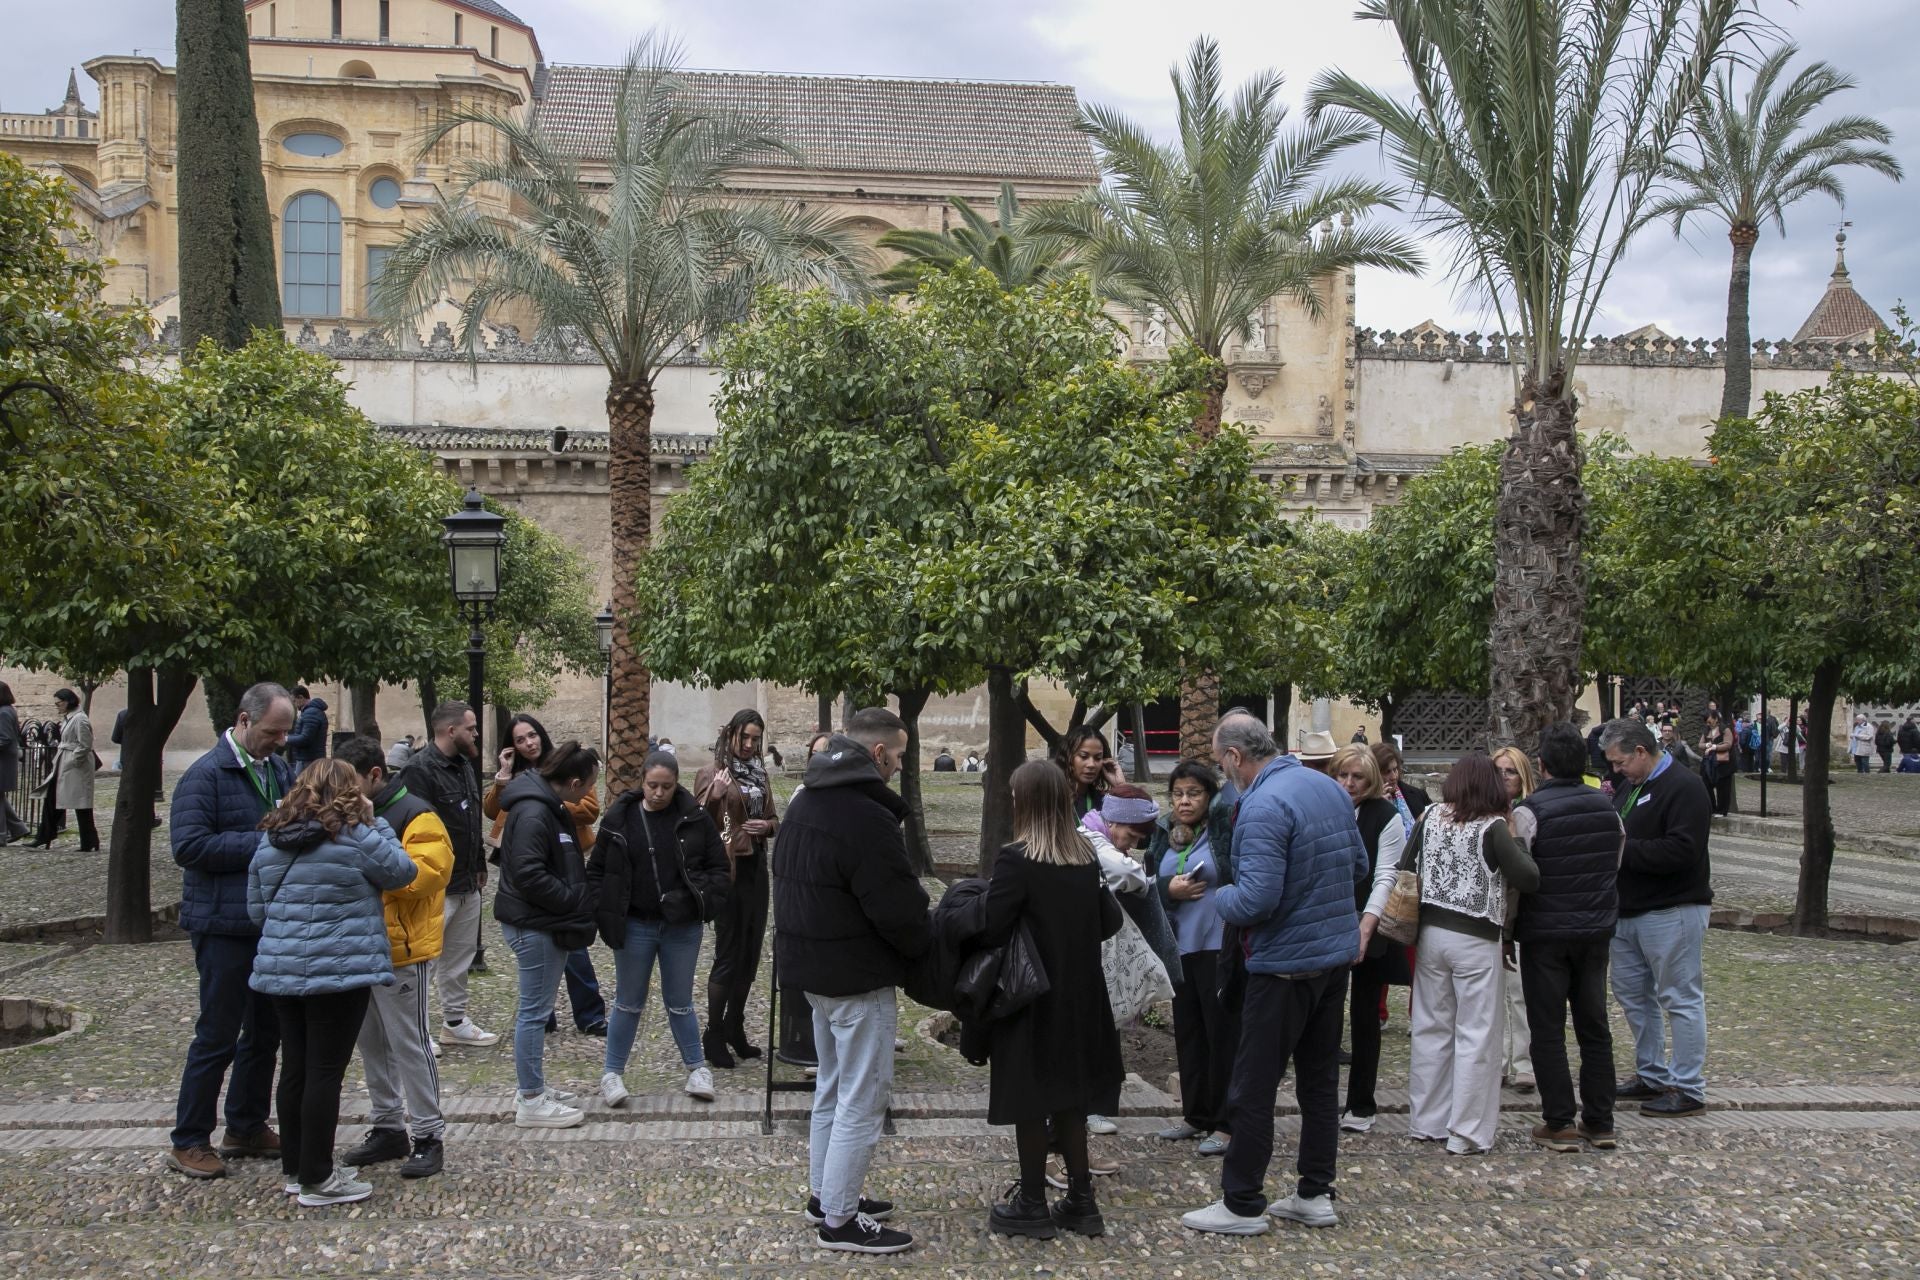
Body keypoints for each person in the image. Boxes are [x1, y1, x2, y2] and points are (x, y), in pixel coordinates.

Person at [1181, 713, 1367, 1236]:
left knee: (1253, 1087)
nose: (1224, 772)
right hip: (1332, 960)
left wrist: (1219, 897)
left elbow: (1257, 898)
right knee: (1319, 1082)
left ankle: (1241, 1203)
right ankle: (1314, 1192)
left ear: (1236, 757)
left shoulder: (1261, 804)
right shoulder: (1326, 787)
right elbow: (1357, 866)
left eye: (1221, 762)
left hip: (1283, 966)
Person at [773, 708, 930, 1254]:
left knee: (833, 1090)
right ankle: (838, 1220)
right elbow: (898, 905)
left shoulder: (806, 799)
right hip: (854, 977)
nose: (901, 765)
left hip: (812, 972)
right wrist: (924, 946)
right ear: (880, 754)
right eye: (901, 755)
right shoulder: (863, 814)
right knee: (862, 1097)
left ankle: (826, 1194)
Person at [250, 759, 417, 1206]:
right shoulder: (356, 836)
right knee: (325, 1072)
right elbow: (403, 872)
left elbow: (255, 909)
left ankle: (296, 1167)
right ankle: (319, 1179)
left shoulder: (270, 840)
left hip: (281, 970)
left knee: (297, 1068)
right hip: (340, 972)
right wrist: (375, 819)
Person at [983, 759, 1126, 1240]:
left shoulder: (1017, 859)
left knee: (1030, 1096)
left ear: (1026, 800)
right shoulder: (1085, 856)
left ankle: (1031, 1202)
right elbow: (1109, 922)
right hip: (1082, 995)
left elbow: (992, 925)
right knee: (1069, 1099)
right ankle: (1082, 1200)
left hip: (1033, 996)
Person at [165, 682, 296, 1179]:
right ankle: (189, 1138)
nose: (280, 741)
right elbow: (190, 848)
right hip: (221, 924)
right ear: (244, 721)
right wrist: (265, 840)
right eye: (272, 731)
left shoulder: (276, 768)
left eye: (285, 732)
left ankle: (245, 1124)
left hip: (265, 923)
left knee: (265, 1032)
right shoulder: (205, 776)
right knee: (217, 1035)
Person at [1404, 753, 1540, 1156]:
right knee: (1477, 1034)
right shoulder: (1493, 826)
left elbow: (1406, 864)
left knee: (1430, 1028)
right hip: (1477, 938)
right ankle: (1466, 1131)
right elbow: (1528, 878)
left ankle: (1425, 1122)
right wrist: (1515, 836)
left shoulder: (1429, 816)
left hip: (1431, 934)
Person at [333, 736, 455, 1181]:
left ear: (375, 776)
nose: (341, 794)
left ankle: (428, 1133)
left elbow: (427, 875)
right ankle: (387, 1125)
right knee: (371, 1044)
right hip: (361, 946)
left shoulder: (416, 814)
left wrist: (364, 868)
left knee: (410, 1042)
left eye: (350, 784)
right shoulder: (350, 815)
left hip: (402, 949)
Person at [591, 749, 731, 1106]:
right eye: (652, 785)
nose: (658, 793)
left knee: (680, 1001)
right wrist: (603, 909)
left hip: (681, 925)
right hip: (635, 923)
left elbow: (718, 868)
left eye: (666, 787)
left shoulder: (694, 818)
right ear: (642, 783)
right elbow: (597, 871)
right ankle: (612, 1073)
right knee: (628, 1002)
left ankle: (697, 1068)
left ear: (675, 785)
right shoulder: (620, 818)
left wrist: (701, 903)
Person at [1517, 723, 1624, 1153]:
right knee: (1594, 1025)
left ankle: (1559, 1120)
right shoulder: (1607, 809)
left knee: (1546, 1029)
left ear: (1541, 764)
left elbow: (1520, 873)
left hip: (1546, 932)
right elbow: (1614, 861)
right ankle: (1600, 1120)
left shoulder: (1530, 811)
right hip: (1595, 930)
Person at [1602, 718, 1712, 1118]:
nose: (1615, 771)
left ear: (1642, 753)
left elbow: (1682, 850)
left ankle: (1688, 1086)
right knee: (1634, 997)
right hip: (1627, 911)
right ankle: (1651, 1072)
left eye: (1619, 763)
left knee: (1680, 997)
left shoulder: (1684, 787)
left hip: (1672, 909)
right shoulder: (1633, 787)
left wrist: (1621, 851)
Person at [494, 741, 602, 1129]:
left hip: (539, 920)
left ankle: (533, 1085)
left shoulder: (543, 806)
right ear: (573, 783)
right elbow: (528, 873)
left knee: (534, 1010)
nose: (590, 793)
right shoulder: (536, 812)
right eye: (589, 785)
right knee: (534, 1012)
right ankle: (531, 1099)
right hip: (535, 924)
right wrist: (572, 900)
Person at [485, 713, 607, 1038]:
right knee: (537, 988)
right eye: (520, 739)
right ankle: (544, 1019)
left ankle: (588, 1014)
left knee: (574, 953)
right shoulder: (527, 795)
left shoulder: (568, 766)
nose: (528, 743)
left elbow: (590, 808)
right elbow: (493, 811)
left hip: (565, 865)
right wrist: (504, 776)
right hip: (543, 888)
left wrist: (560, 805)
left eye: (531, 736)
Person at [1150, 761, 1238, 1153]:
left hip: (1218, 945)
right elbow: (1147, 883)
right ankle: (1195, 1114)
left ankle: (1225, 1123)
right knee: (1188, 1034)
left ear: (1210, 796)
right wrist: (1170, 888)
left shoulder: (1223, 829)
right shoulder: (1164, 832)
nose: (1185, 801)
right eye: (1178, 793)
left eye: (1194, 793)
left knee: (1222, 1034)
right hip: (1180, 947)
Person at [403, 703, 494, 1049]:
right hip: (436, 883)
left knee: (459, 955)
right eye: (470, 729)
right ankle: (418, 1028)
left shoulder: (464, 766)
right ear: (449, 730)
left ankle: (454, 1020)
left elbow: (471, 820)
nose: (475, 734)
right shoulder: (419, 770)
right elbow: (418, 827)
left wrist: (480, 863)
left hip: (467, 880)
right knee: (426, 959)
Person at [1330, 744, 1409, 1134]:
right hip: (1326, 920)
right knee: (1322, 1014)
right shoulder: (1326, 808)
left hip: (1367, 920)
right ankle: (1322, 1097)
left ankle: (1361, 1102)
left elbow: (1386, 875)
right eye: (1343, 775)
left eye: (1357, 777)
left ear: (1371, 780)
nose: (1349, 783)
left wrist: (1366, 926)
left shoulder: (1385, 816)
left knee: (1364, 1017)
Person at [695, 710, 780, 1068]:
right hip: (727, 871)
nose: (749, 745)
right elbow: (697, 822)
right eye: (743, 737)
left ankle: (735, 1026)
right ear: (730, 735)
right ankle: (713, 1033)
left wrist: (769, 827)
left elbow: (774, 818)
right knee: (728, 955)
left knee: (751, 954)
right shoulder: (711, 773)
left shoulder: (760, 775)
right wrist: (714, 797)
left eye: (755, 739)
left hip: (756, 869)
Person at [1491, 745, 1538, 1094]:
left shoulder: (1524, 815)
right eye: (1499, 771)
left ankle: (1524, 1061)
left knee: (1520, 993)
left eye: (1510, 772)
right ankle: (1499, 1061)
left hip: (1518, 911)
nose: (1504, 777)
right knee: (1493, 995)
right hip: (1489, 912)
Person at [29, 688, 97, 851]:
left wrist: (73, 760)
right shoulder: (70, 718)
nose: (57, 707)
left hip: (73, 766)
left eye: (59, 703)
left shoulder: (79, 719)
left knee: (80, 804)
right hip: (65, 764)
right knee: (54, 799)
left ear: (67, 702)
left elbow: (85, 744)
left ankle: (89, 841)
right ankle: (45, 835)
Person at [1054, 726, 1118, 819]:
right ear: (1069, 757)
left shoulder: (1102, 801)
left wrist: (1121, 786)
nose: (1091, 764)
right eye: (1084, 756)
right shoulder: (1053, 797)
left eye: (1098, 758)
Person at [0, 683, 31, 844]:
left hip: (3, 762)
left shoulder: (4, 712)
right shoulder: (7, 710)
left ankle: (1, 835)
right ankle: (19, 828)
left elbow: (4, 739)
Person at [286, 686, 330, 773]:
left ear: (301, 697)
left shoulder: (311, 713)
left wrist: (286, 738)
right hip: (310, 759)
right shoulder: (311, 712)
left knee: (300, 785)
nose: (294, 705)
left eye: (294, 701)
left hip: (308, 761)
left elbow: (305, 739)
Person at [1698, 712, 1734, 815]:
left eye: (1710, 721)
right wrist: (1707, 745)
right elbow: (1700, 744)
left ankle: (1722, 810)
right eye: (1706, 722)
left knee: (1723, 787)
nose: (1708, 723)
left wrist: (1715, 747)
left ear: (1716, 719)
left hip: (1723, 763)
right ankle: (1711, 808)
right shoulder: (1706, 730)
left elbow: (1728, 744)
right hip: (1708, 763)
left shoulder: (1725, 729)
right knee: (1706, 785)